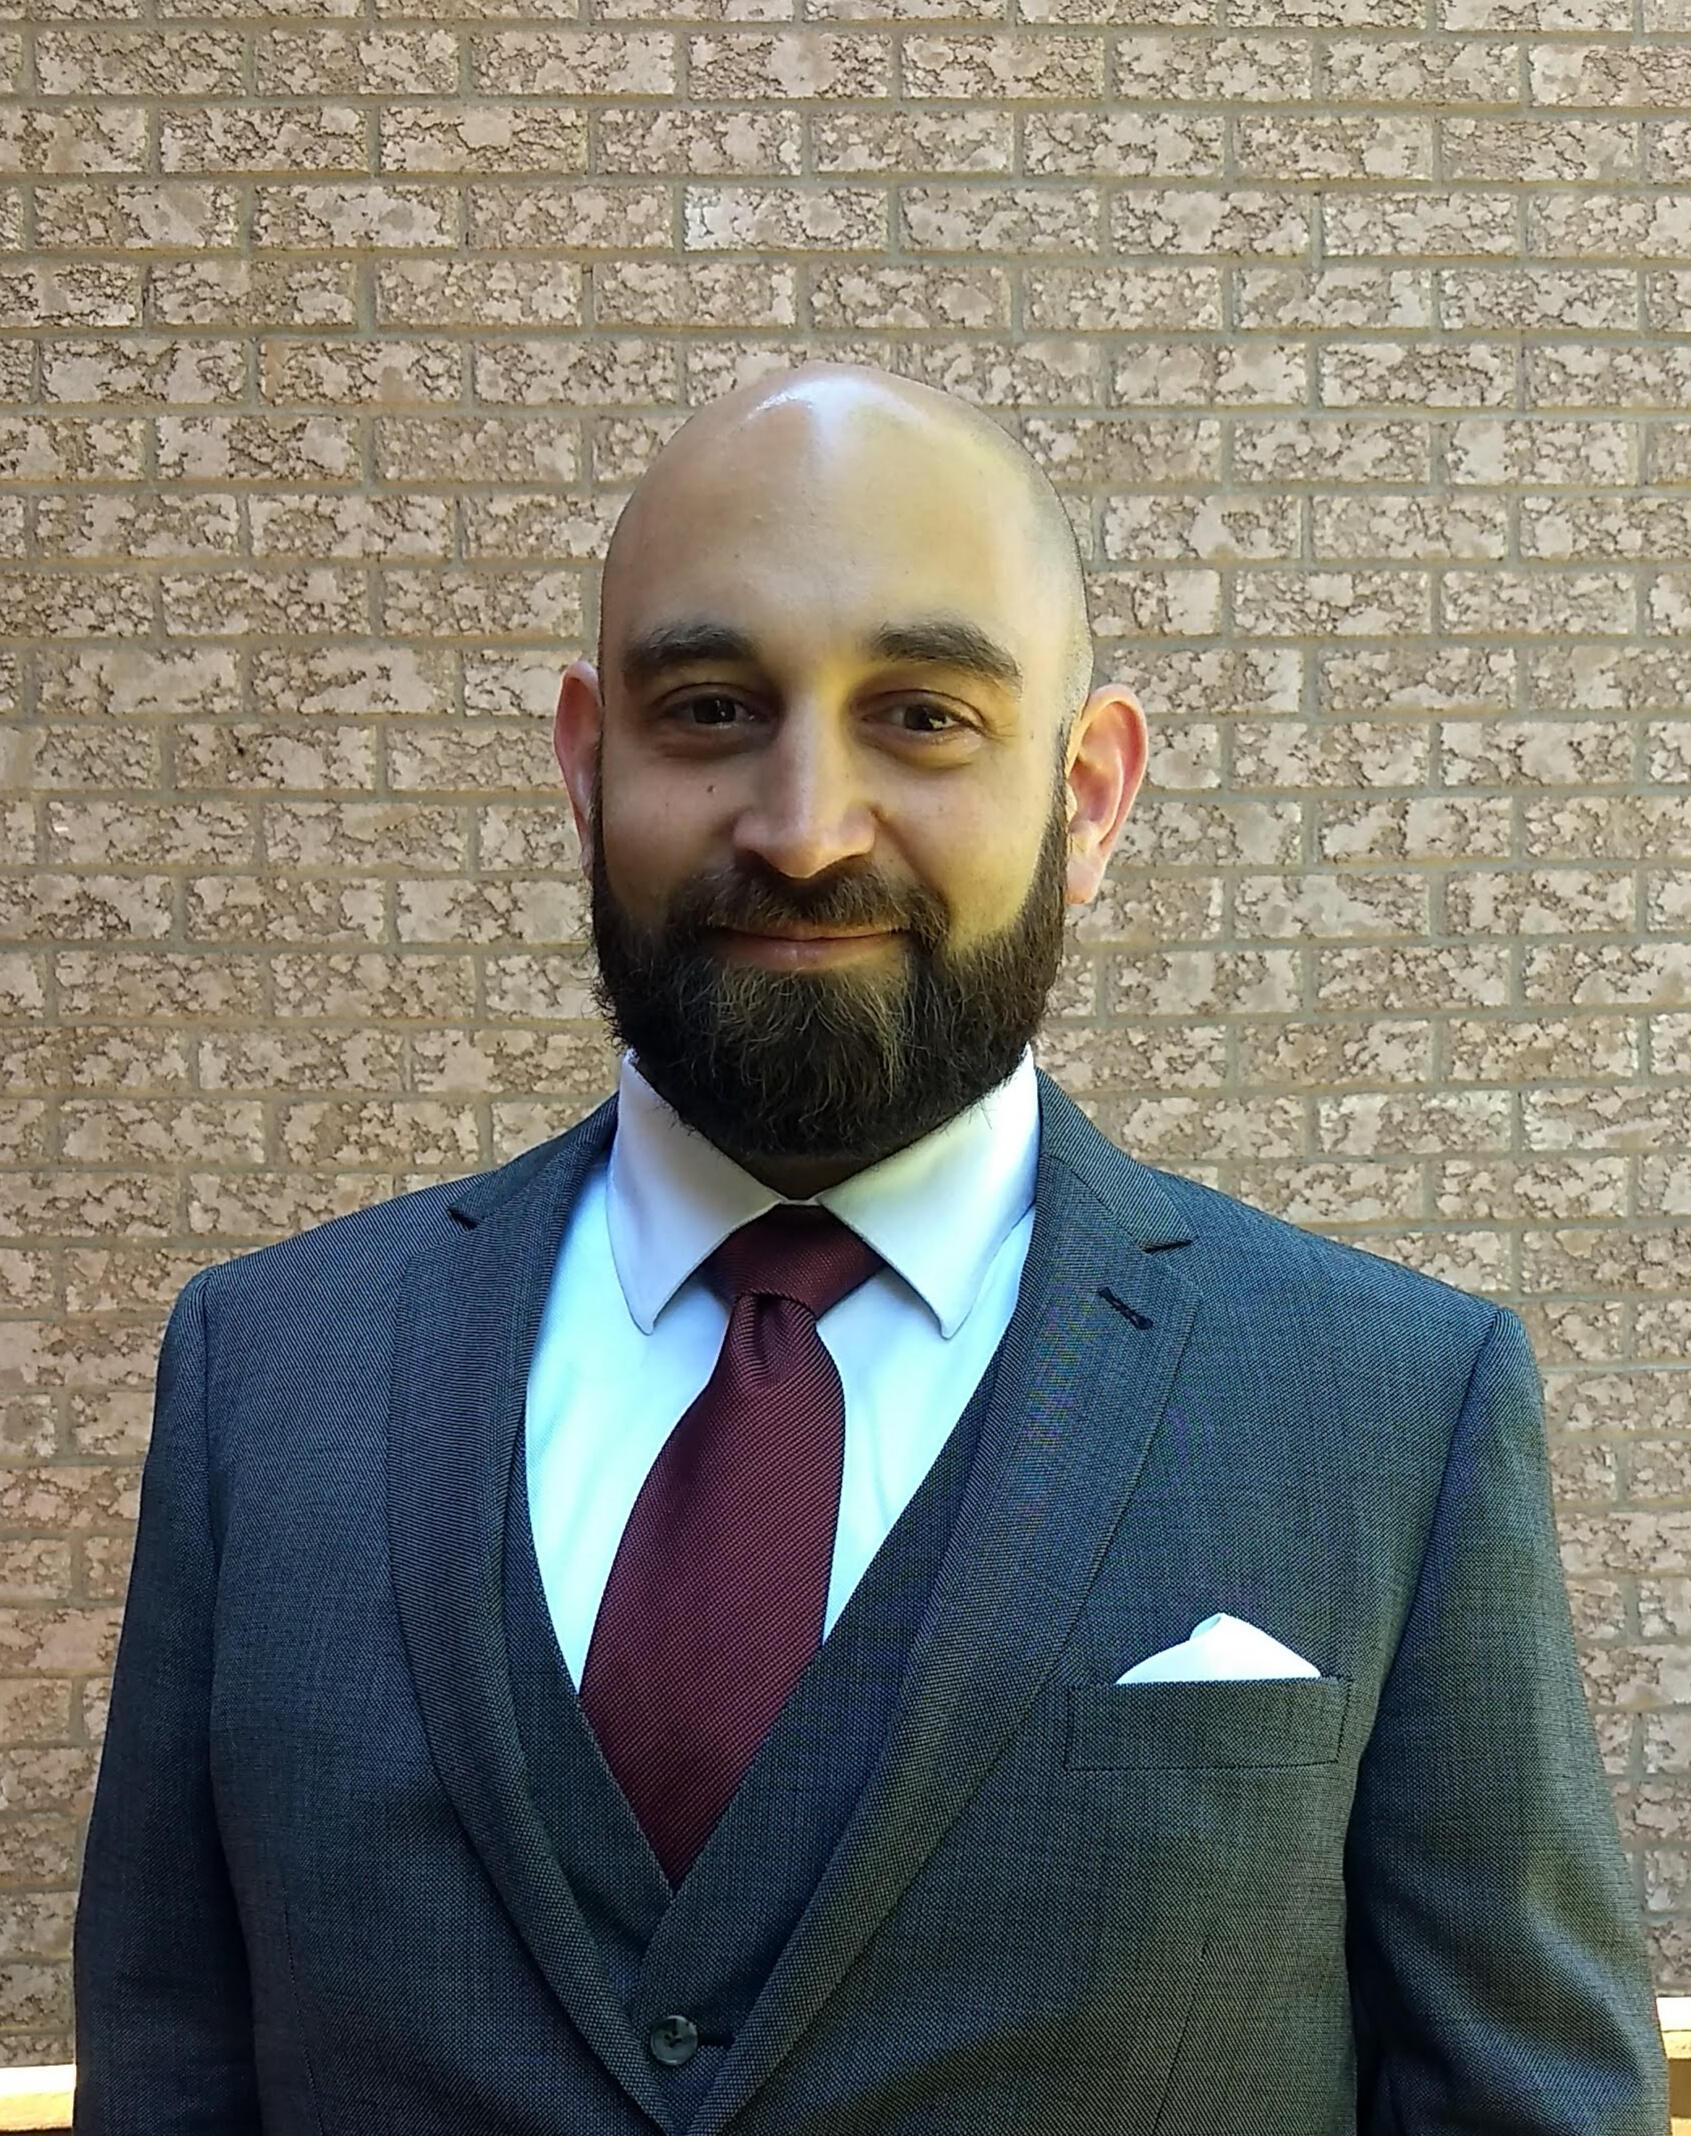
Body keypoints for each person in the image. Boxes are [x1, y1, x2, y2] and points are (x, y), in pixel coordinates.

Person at [72, 360, 1668, 2136]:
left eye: (920, 715)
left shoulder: (1389, 1409)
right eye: (710, 709)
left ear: (1090, 793)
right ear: (589, 764)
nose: (805, 827)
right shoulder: (265, 1377)